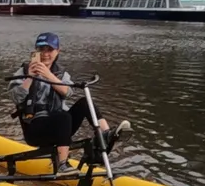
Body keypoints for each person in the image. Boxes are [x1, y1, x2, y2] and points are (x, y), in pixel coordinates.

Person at [8, 31, 128, 164]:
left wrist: (49, 75)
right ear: (35, 51)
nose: (45, 54)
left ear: (57, 51)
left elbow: (68, 92)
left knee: (84, 102)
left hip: (61, 128)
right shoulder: (24, 71)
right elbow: (16, 98)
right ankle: (63, 164)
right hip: (35, 128)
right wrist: (30, 78)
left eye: (50, 50)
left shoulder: (61, 74)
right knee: (64, 117)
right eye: (41, 49)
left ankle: (107, 134)